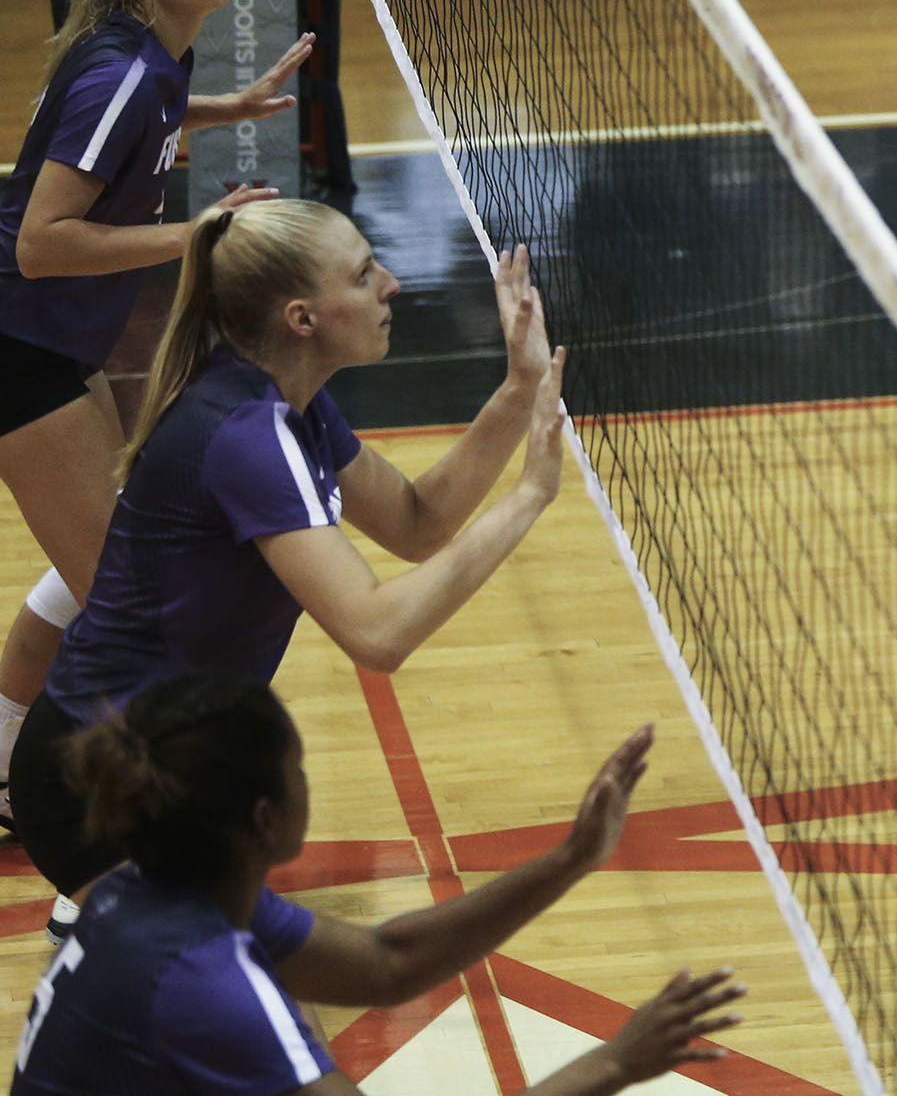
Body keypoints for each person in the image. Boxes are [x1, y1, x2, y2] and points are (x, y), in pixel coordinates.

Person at [8, 200, 569, 928]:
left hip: (173, 771)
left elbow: (414, 522)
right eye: (365, 274)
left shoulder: (286, 402)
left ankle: (117, 931)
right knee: (252, 1004)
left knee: (255, 992)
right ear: (301, 318)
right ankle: (110, 924)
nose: (392, 283)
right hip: (96, 784)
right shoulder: (249, 435)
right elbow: (378, 634)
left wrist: (519, 390)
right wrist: (527, 496)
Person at [11, 669, 746, 1095]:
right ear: (266, 818)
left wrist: (573, 857)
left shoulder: (147, 888)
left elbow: (387, 961)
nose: (311, 779)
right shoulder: (208, 984)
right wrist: (615, 1061)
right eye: (300, 767)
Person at [0, 0, 313, 834]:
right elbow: (40, 243)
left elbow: (148, 132)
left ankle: (5, 756)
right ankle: (69, 805)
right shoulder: (123, 74)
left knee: (113, 566)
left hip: (57, 348)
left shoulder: (151, 59)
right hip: (19, 352)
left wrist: (231, 107)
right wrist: (200, 234)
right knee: (126, 613)